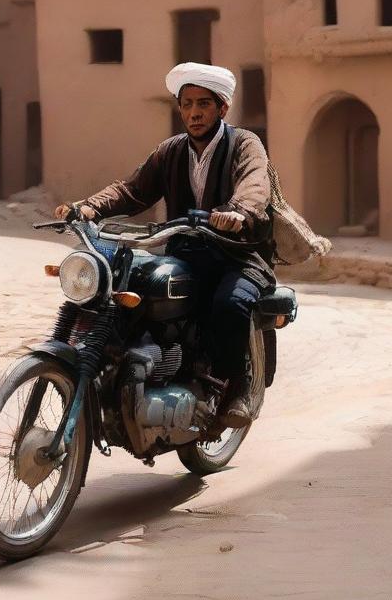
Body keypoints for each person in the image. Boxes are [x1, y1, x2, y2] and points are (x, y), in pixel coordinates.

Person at [55, 63, 273, 428]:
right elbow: (132, 190)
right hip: (187, 252)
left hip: (237, 255)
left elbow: (255, 184)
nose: (194, 112)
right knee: (129, 292)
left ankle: (237, 386)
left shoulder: (244, 144)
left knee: (229, 304)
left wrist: (237, 212)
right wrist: (89, 207)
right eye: (186, 104)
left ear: (222, 108)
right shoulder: (171, 150)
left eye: (203, 104)